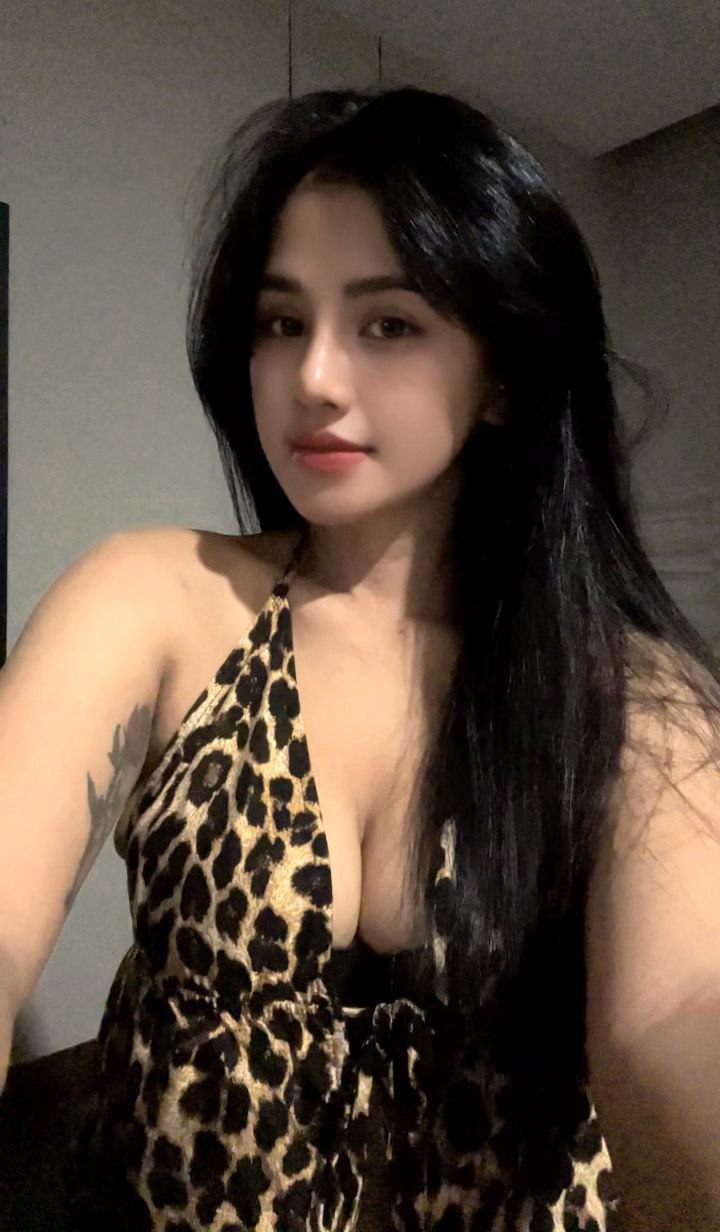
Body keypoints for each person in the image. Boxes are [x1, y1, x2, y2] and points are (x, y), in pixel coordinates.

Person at [1, 86, 719, 1232]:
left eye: (388, 323)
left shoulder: (625, 696)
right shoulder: (155, 596)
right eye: (281, 322)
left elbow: (679, 1013)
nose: (316, 378)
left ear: (501, 372)